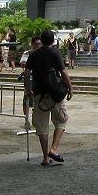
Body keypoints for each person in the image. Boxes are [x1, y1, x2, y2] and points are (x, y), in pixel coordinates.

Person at [25, 30, 73, 166]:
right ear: (53, 41)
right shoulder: (55, 53)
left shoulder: (34, 54)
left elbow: (27, 72)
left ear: (41, 40)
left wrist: (28, 90)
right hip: (55, 93)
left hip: (39, 93)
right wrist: (70, 87)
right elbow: (63, 72)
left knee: (42, 126)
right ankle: (54, 148)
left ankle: (46, 157)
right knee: (62, 120)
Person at [20, 36, 41, 129]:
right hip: (30, 79)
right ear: (33, 44)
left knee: (39, 101)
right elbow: (23, 63)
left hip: (40, 80)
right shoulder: (27, 53)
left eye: (40, 44)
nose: (38, 46)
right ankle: (26, 120)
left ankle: (37, 120)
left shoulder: (43, 53)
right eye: (36, 44)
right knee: (27, 100)